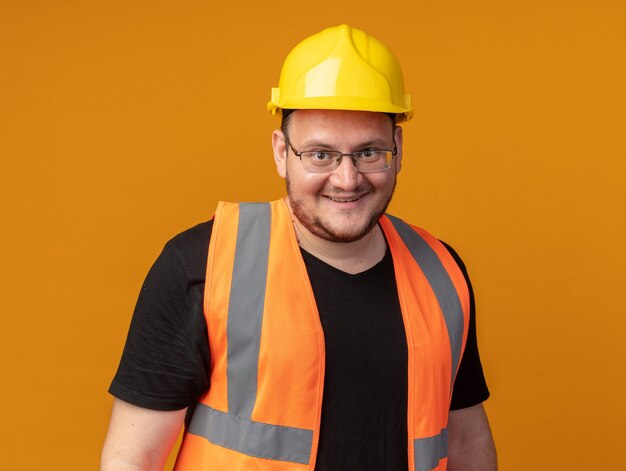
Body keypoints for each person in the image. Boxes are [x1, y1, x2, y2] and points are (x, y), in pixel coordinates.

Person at [101, 24, 497, 471]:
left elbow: (466, 442)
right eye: (320, 154)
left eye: (368, 152)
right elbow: (132, 459)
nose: (347, 179)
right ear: (280, 152)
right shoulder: (202, 263)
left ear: (398, 149)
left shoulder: (441, 272)